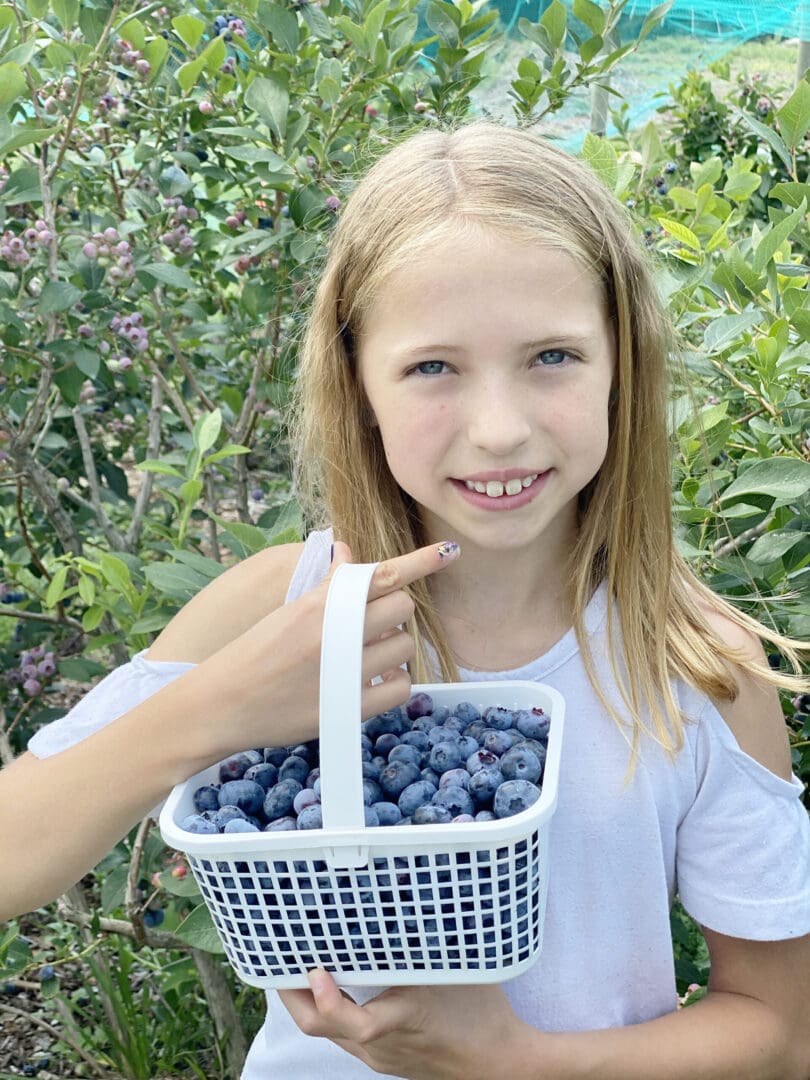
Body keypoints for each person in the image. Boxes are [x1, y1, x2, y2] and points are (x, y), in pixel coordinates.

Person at [2, 117, 809, 1080]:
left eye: (552, 356)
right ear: (360, 385)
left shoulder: (693, 666)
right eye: (433, 367)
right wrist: (223, 706)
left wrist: (509, 1062)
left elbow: (777, 1034)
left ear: (622, 365)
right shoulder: (281, 609)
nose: (500, 429)